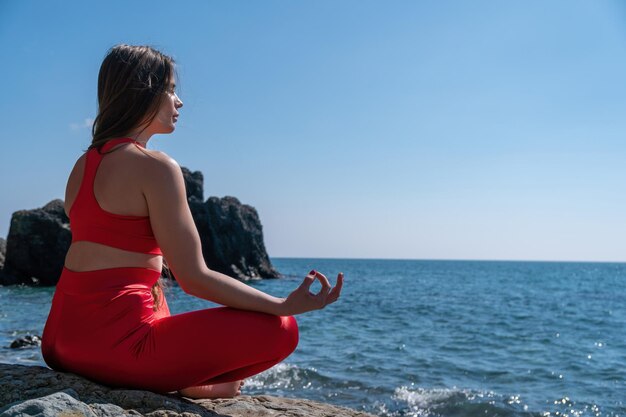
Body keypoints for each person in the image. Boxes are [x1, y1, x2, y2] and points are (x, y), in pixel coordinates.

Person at [41, 44, 343, 399]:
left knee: (154, 299)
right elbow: (194, 278)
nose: (178, 101)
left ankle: (184, 381)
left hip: (58, 342)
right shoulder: (156, 167)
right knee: (283, 329)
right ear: (143, 91)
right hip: (112, 350)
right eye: (169, 89)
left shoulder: (83, 165)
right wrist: (282, 304)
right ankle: (194, 387)